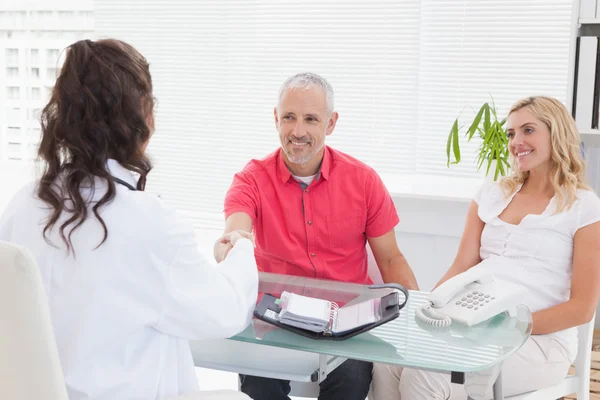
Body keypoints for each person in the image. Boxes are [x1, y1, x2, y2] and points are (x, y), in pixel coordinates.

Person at [0, 39, 256, 400]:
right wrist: (242, 250)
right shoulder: (149, 223)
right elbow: (225, 312)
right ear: (143, 116)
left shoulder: (23, 205)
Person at [370, 96, 600, 400]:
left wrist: (505, 328)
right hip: (471, 328)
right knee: (388, 363)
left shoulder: (583, 207)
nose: (516, 141)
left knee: (424, 373)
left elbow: (582, 308)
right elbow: (461, 266)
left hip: (538, 342)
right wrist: (431, 309)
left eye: (528, 130)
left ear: (556, 133)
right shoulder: (493, 194)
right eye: (511, 133)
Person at [215, 72, 419, 400]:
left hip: (346, 323)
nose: (298, 131)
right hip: (275, 322)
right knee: (258, 384)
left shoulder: (363, 181)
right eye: (289, 118)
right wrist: (233, 243)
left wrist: (419, 318)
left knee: (351, 381)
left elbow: (391, 259)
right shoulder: (251, 179)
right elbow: (236, 230)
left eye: (311, 119)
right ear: (275, 119)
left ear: (331, 122)